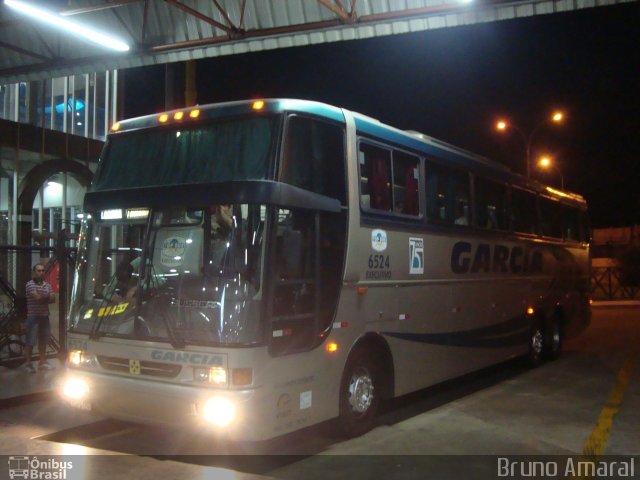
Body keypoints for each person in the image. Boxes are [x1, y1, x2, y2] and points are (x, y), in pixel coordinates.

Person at [23, 263, 56, 373]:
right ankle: (28, 364)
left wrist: (43, 297)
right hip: (33, 316)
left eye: (42, 271)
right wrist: (46, 297)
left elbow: (53, 299)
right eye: (39, 270)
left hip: (44, 316)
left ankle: (42, 362)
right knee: (30, 341)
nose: (41, 272)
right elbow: (37, 298)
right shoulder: (30, 284)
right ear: (34, 272)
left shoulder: (47, 285)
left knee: (43, 340)